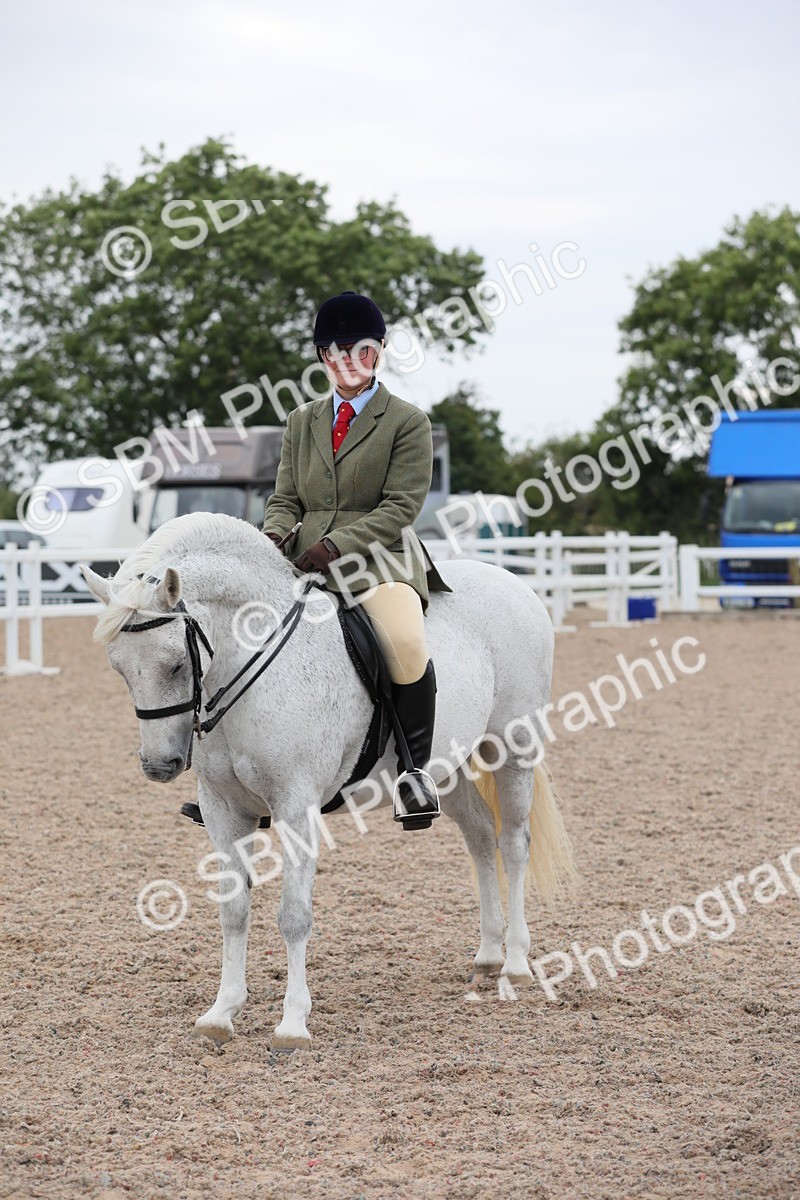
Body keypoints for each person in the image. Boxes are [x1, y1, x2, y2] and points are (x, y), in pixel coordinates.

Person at [263, 291, 453, 829]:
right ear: (322, 357)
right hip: (305, 558)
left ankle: (414, 774)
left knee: (406, 641)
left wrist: (337, 545)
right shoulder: (301, 421)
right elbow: (285, 498)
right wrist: (273, 535)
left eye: (360, 350)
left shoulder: (408, 422)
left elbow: (401, 507)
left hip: (380, 559)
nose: (347, 361)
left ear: (380, 351)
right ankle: (247, 777)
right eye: (335, 351)